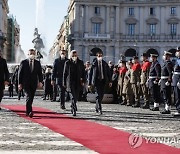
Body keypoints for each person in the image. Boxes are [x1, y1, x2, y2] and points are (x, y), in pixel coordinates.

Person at [18, 49, 43, 118]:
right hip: (25, 83)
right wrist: (19, 83)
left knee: (31, 97)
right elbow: (20, 74)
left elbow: (40, 73)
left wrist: (41, 81)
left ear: (35, 55)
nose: (32, 54)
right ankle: (30, 111)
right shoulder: (24, 62)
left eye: (33, 53)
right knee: (28, 96)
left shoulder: (37, 63)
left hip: (34, 83)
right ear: (28, 54)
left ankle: (27, 111)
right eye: (30, 53)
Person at [63, 50, 85, 116]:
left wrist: (83, 80)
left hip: (78, 81)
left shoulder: (80, 62)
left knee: (76, 96)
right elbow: (65, 73)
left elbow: (83, 73)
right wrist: (64, 83)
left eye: (75, 55)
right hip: (70, 81)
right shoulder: (67, 63)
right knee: (72, 96)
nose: (74, 57)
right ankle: (74, 109)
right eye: (73, 56)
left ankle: (73, 105)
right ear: (70, 56)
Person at [172, 47, 180, 117]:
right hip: (175, 79)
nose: (177, 52)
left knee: (178, 95)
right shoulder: (177, 60)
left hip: (178, 79)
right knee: (176, 95)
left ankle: (179, 110)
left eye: (178, 51)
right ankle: (178, 109)